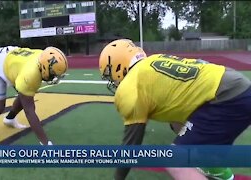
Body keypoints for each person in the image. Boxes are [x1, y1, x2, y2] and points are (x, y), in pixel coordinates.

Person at [98, 39, 251, 180]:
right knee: (181, 127)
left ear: (118, 66)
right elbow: (177, 111)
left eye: (109, 74)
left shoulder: (129, 86)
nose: (112, 81)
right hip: (236, 86)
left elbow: (131, 146)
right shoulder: (153, 61)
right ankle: (214, 164)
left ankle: (211, 161)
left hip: (226, 97)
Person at [0, 46, 68, 145]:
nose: (55, 77)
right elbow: (29, 111)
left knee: (25, 94)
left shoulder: (43, 58)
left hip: (12, 60)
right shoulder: (31, 75)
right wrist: (46, 143)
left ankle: (9, 119)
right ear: (45, 67)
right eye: (53, 74)